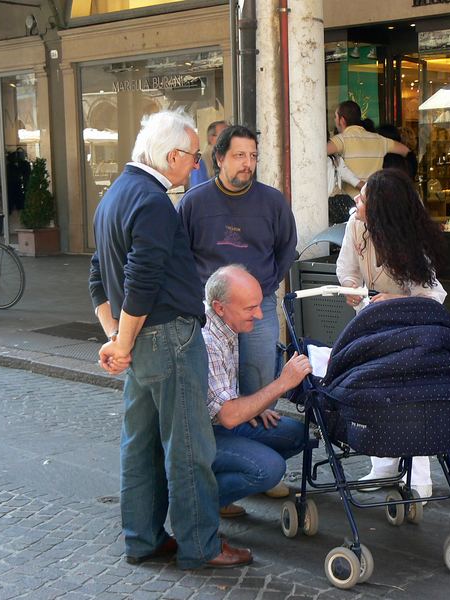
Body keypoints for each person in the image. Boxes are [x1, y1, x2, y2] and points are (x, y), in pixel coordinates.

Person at [89, 109, 251, 570]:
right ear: (173, 155)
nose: (196, 164)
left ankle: (142, 539)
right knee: (188, 447)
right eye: (195, 155)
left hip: (142, 339)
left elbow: (98, 277)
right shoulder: (154, 202)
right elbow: (140, 280)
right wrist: (121, 343)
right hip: (169, 336)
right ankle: (201, 546)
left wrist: (119, 340)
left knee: (138, 445)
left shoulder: (114, 196)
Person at [336, 168, 447, 499]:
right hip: (373, 325)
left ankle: (418, 476)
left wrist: (395, 300)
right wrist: (351, 290)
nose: (357, 199)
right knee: (374, 394)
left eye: (365, 197)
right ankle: (383, 465)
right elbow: (346, 270)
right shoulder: (355, 225)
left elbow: (432, 297)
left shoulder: (410, 242)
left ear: (383, 207)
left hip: (413, 331)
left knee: (409, 396)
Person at [178, 125, 298, 400]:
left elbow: (286, 248)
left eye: (253, 156)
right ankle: (221, 438)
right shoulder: (193, 202)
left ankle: (259, 436)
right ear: (220, 158)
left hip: (259, 307)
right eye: (239, 155)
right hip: (209, 310)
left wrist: (264, 284)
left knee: (260, 378)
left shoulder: (273, 202)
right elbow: (180, 255)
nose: (248, 163)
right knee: (210, 384)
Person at [203, 265, 312, 518]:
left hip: (219, 421)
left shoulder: (226, 324)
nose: (260, 315)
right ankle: (200, 501)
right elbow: (229, 416)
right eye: (250, 308)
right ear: (220, 307)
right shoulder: (208, 339)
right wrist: (283, 383)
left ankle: (228, 481)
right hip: (201, 436)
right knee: (270, 468)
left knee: (297, 434)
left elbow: (223, 397)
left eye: (259, 305)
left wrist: (252, 406)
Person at [327, 100, 409, 196]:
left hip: (352, 202)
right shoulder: (380, 139)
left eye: (335, 117)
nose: (335, 121)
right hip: (374, 198)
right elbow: (405, 150)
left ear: (342, 120)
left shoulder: (341, 140)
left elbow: (318, 153)